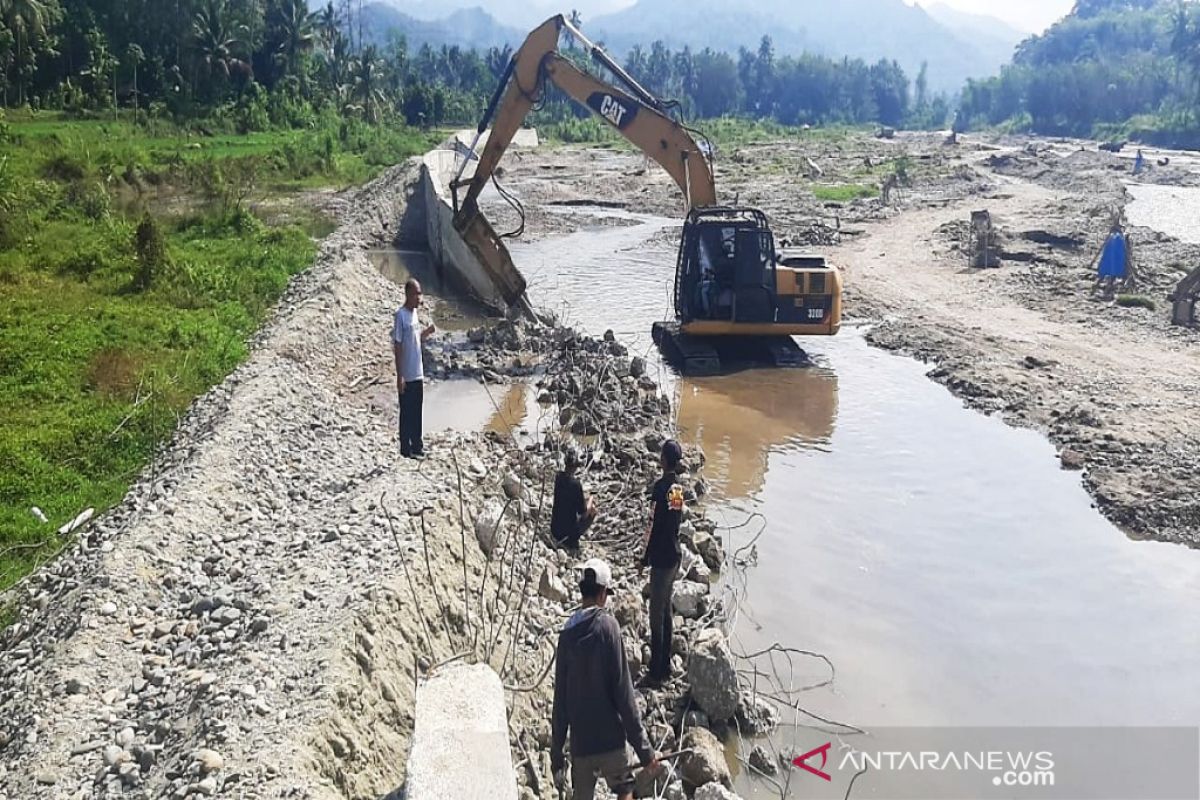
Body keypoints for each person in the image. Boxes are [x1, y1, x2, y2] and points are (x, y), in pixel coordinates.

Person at [551, 558, 659, 800]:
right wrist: (645, 752)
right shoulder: (609, 628)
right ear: (602, 594)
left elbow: (561, 702)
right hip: (612, 743)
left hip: (581, 748)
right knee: (624, 790)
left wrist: (557, 753)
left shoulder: (566, 636)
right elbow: (624, 696)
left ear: (582, 592)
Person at [640, 440, 685, 686]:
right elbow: (673, 524)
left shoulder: (660, 489)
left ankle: (655, 672)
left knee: (656, 614)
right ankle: (665, 665)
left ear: (664, 461)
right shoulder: (678, 489)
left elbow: (651, 526)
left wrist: (643, 558)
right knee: (666, 610)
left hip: (660, 559)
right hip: (674, 557)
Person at [392, 279, 435, 458]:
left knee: (417, 410)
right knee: (406, 412)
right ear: (408, 294)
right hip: (407, 374)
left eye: (420, 293)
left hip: (418, 372)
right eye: (417, 294)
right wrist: (400, 375)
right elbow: (398, 345)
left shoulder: (415, 314)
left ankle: (417, 446)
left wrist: (427, 332)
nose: (420, 297)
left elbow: (417, 339)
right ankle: (406, 449)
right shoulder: (400, 315)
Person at [551, 448, 597, 549]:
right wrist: (591, 499)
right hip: (568, 535)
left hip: (555, 530)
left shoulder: (558, 477)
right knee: (592, 510)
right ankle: (574, 541)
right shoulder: (576, 485)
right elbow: (583, 512)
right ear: (575, 467)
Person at [1091, 221, 1136, 297]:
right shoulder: (1120, 238)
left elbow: (1106, 250)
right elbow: (1123, 251)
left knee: (1104, 275)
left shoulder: (1112, 238)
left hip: (1108, 261)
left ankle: (1097, 288)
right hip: (1116, 261)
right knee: (1112, 276)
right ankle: (1107, 289)